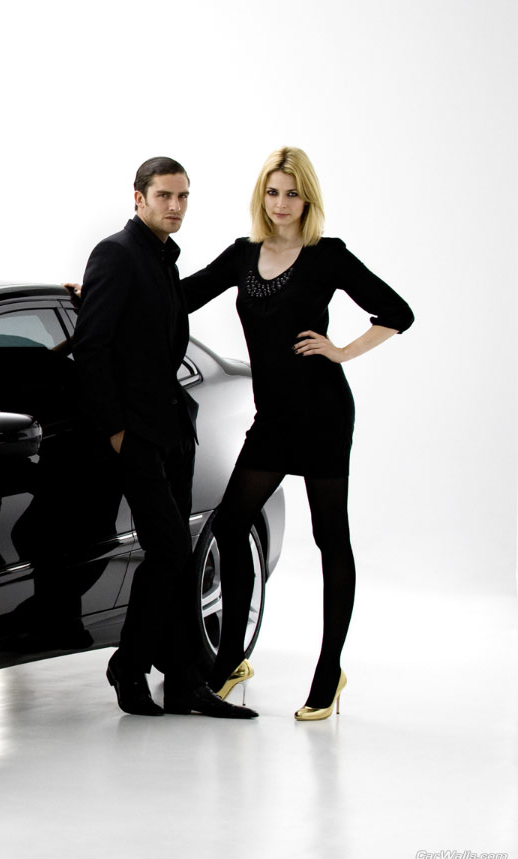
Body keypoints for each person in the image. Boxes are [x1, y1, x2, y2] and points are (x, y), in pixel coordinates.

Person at [183, 147, 414, 720]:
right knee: (230, 525)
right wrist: (102, 289)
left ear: (307, 199)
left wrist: (341, 351)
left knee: (330, 539)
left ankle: (329, 671)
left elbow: (397, 312)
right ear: (260, 195)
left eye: (292, 193)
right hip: (273, 419)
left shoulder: (326, 256)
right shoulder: (242, 255)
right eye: (272, 192)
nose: (281, 203)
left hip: (323, 414)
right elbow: (179, 296)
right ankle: (231, 658)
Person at [72, 157, 256, 719]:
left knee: (179, 554)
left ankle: (184, 683)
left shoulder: (161, 258)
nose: (175, 206)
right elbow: (91, 348)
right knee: (170, 549)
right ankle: (128, 666)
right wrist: (116, 432)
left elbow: (170, 309)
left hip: (174, 428)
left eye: (183, 197)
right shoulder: (116, 253)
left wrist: (245, 257)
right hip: (137, 435)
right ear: (139, 198)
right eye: (164, 196)